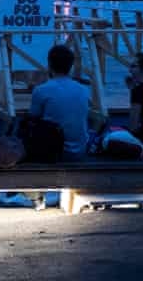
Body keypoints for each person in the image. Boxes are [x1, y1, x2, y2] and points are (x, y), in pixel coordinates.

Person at [27, 45, 91, 210]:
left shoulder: (42, 90)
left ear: (49, 65)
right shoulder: (83, 90)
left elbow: (33, 117)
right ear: (71, 65)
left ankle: (36, 197)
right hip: (79, 150)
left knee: (28, 131)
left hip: (53, 152)